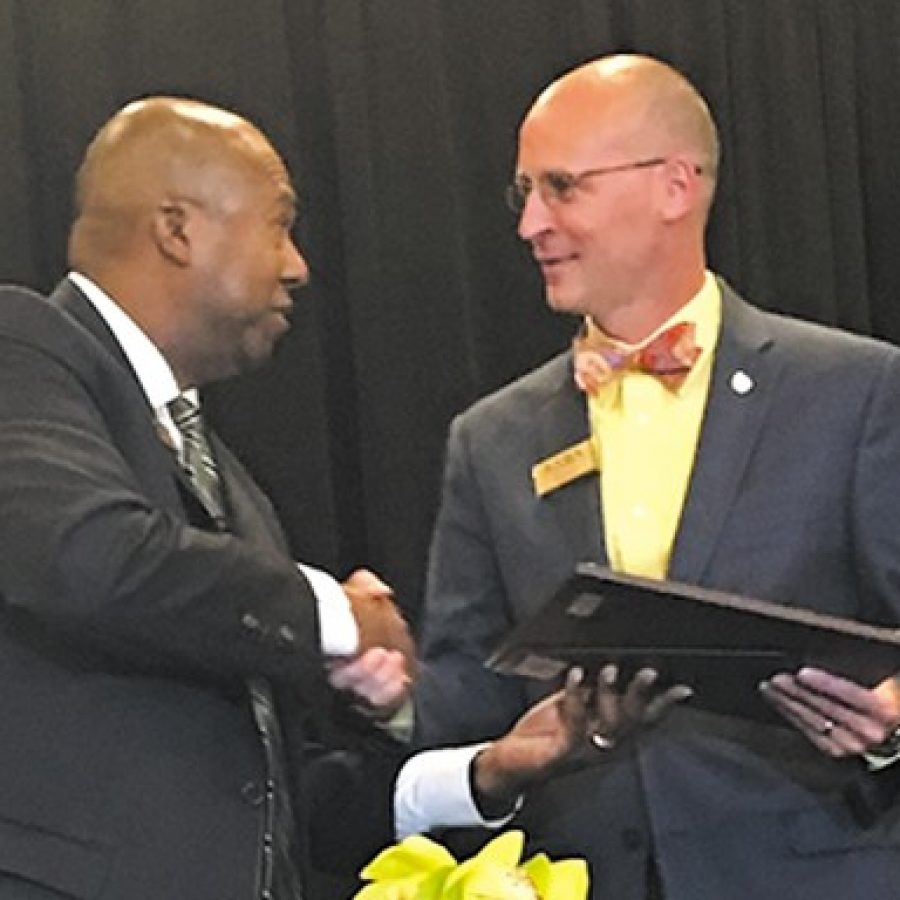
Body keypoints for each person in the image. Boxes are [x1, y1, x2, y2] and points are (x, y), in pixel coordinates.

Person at [0, 94, 685, 900]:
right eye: (278, 224)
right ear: (177, 229)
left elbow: (279, 798)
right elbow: (91, 557)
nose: (298, 265)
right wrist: (335, 617)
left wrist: (488, 771)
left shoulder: (228, 483)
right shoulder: (25, 351)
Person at [407, 54, 900, 900]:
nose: (531, 224)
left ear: (675, 186)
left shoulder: (855, 392)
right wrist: (447, 737)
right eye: (523, 192)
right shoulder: (489, 440)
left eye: (562, 187)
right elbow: (460, 710)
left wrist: (891, 723)